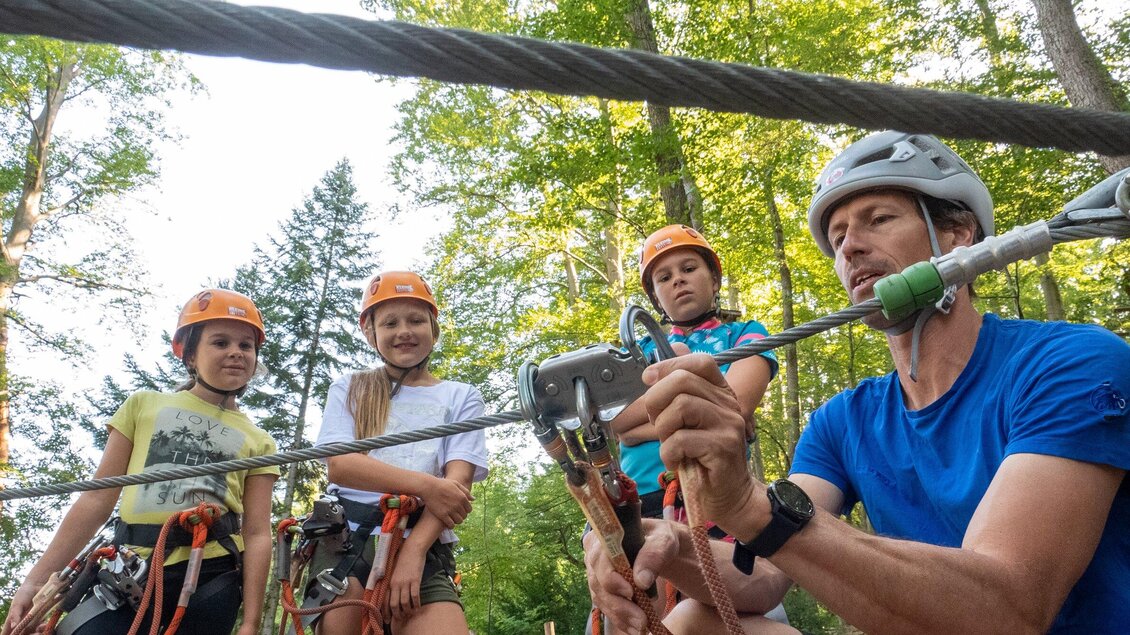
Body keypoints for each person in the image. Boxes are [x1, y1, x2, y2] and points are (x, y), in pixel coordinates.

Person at [584, 131, 1130, 634]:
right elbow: (764, 579)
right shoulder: (843, 421)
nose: (849, 247)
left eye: (879, 219)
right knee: (695, 625)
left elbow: (1009, 606)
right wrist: (666, 544)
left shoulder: (1068, 362)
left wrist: (752, 506)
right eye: (839, 234)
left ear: (959, 235)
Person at [2, 289, 280, 635]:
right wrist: (34, 582)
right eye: (220, 342)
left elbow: (256, 533)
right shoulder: (145, 405)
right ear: (190, 355)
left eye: (246, 346)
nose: (236, 353)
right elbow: (96, 498)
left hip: (212, 576)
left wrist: (250, 622)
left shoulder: (260, 440)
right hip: (131, 569)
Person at [600, 225, 780, 625]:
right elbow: (619, 425)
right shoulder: (637, 350)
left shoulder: (745, 334)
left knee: (725, 613)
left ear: (714, 279)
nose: (677, 279)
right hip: (644, 497)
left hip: (719, 494)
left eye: (688, 268)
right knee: (646, 616)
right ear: (655, 297)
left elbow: (734, 407)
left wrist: (648, 417)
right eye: (664, 277)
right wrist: (702, 410)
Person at [308, 271, 488, 635]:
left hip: (421, 538)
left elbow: (456, 486)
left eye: (416, 320)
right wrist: (428, 486)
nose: (404, 330)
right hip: (347, 541)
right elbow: (341, 465)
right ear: (369, 331)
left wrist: (414, 551)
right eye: (390, 322)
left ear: (433, 328)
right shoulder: (352, 388)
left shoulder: (461, 396)